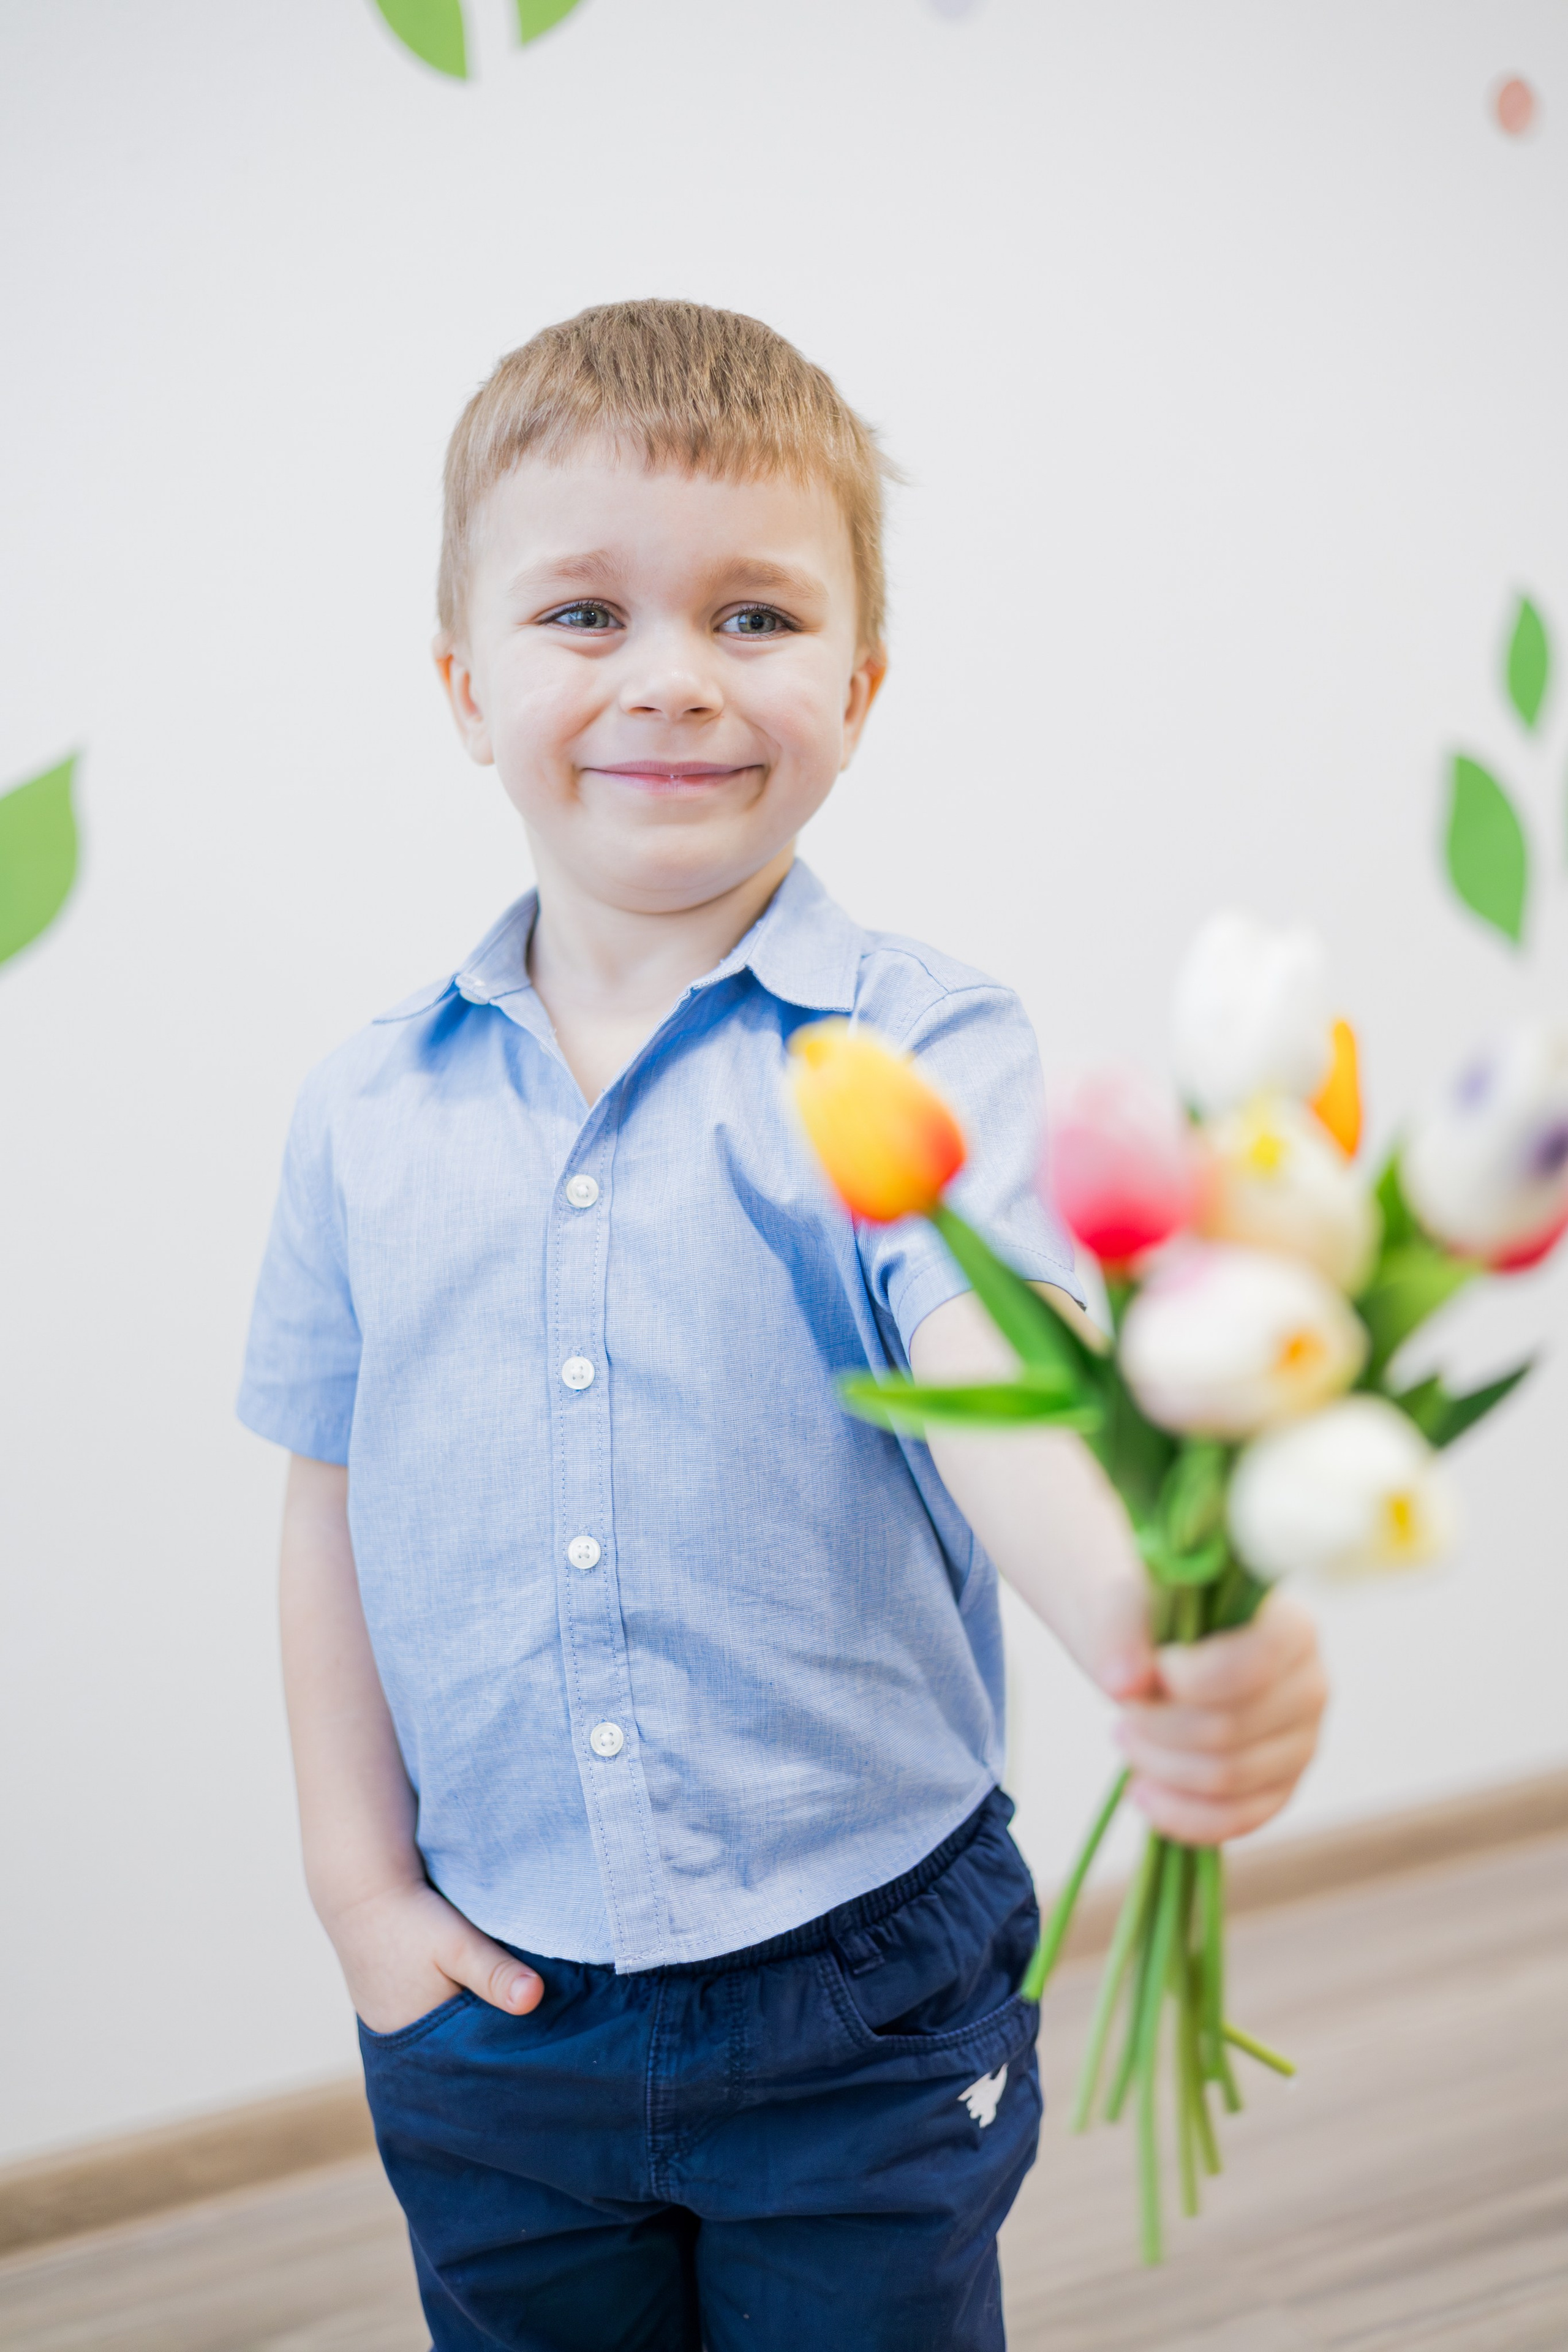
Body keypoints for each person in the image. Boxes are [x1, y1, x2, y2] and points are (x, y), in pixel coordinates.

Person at [238, 300, 1327, 2352]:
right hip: (494, 2005)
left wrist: (1148, 1632)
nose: (672, 678)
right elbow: (329, 1505)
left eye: (754, 617)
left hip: (863, 1987)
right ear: (468, 690)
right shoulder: (365, 1110)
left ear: (864, 680)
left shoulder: (920, 1050)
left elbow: (1006, 1398)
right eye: (585, 614)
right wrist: (360, 1897)